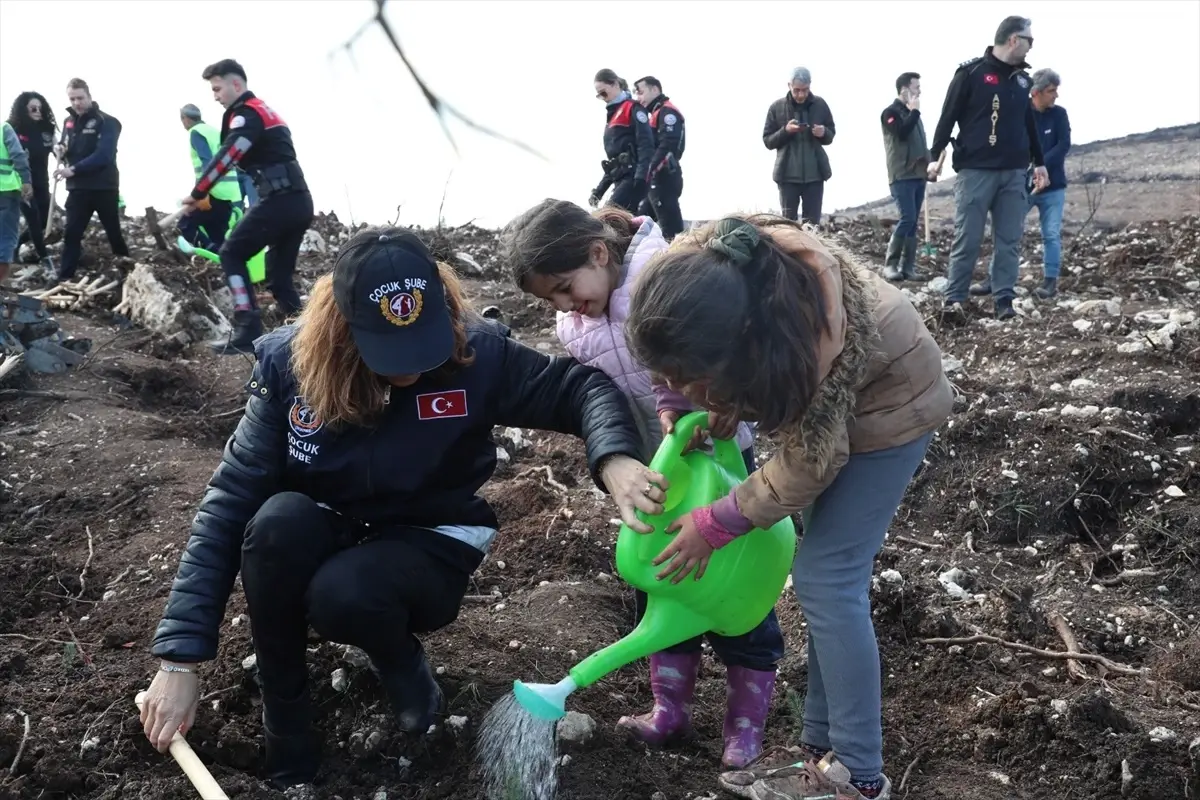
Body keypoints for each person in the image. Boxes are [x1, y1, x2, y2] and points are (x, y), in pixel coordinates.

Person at [139, 226, 666, 789]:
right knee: (273, 525)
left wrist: (612, 457)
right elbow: (227, 505)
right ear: (343, 329)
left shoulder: (476, 354)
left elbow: (579, 388)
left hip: (429, 538)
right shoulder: (289, 370)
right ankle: (287, 729)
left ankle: (401, 663)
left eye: (423, 341)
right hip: (328, 521)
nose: (411, 366)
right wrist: (179, 662)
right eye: (391, 352)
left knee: (345, 593)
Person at [624, 216, 954, 799]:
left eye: (695, 373)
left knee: (829, 580)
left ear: (743, 342)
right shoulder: (692, 277)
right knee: (825, 579)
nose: (682, 381)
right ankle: (820, 750)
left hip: (893, 406)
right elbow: (674, 352)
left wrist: (717, 521)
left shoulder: (805, 333)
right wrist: (684, 397)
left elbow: (809, 461)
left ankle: (857, 774)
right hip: (832, 392)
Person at [503, 198, 783, 769]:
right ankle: (669, 711)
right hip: (661, 466)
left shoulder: (663, 276)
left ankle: (745, 724)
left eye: (564, 285)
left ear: (599, 252)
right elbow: (600, 394)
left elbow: (728, 343)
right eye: (549, 299)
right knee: (659, 582)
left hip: (723, 459)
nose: (563, 304)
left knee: (736, 588)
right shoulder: (575, 325)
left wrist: (718, 404)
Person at [181, 58, 313, 355]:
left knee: (231, 254)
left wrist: (199, 192)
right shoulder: (266, 111)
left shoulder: (246, 115)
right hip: (298, 200)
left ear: (236, 84)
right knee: (279, 280)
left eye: (217, 89)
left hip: (279, 200)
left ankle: (246, 330)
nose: (215, 96)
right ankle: (312, 335)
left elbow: (230, 154)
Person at [928, 16, 1048, 320]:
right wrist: (934, 154)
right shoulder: (971, 73)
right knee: (967, 237)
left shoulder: (1023, 81)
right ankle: (954, 299)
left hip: (1013, 172)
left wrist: (1040, 162)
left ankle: (1004, 300)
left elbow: (1029, 123)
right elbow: (948, 115)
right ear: (1013, 40)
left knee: (1009, 239)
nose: (1031, 46)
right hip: (975, 170)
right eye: (1029, 40)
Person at [53, 78, 130, 283]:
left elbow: (103, 155)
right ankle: (64, 278)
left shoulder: (108, 122)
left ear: (89, 96)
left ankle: (129, 272)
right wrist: (60, 149)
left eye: (80, 98)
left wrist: (74, 169)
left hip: (103, 187)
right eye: (72, 98)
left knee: (113, 232)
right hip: (78, 189)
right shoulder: (68, 122)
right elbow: (64, 145)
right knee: (71, 234)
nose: (77, 103)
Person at [1007, 68, 1071, 300]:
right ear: (1036, 93)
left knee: (1051, 234)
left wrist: (1041, 164)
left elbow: (1063, 144)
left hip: (1053, 187)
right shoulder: (1021, 113)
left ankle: (1050, 281)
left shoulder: (1059, 115)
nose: (1056, 95)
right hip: (1024, 186)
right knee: (1009, 230)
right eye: (1051, 91)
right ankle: (1000, 278)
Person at [763, 68, 835, 226]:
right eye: (797, 90)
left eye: (805, 90)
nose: (801, 95)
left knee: (812, 226)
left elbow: (831, 134)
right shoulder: (776, 107)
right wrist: (785, 131)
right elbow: (767, 140)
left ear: (810, 85)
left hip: (815, 176)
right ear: (789, 85)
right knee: (789, 226)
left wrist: (824, 132)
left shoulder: (821, 105)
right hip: (787, 177)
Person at [879, 72, 930, 282]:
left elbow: (918, 143)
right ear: (904, 90)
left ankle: (908, 267)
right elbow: (901, 132)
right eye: (916, 87)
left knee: (913, 221)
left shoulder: (914, 115)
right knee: (907, 217)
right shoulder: (890, 113)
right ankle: (890, 264)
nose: (919, 91)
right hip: (901, 174)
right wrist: (915, 112)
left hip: (918, 174)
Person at [178, 103, 242, 251]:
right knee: (216, 233)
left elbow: (207, 162)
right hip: (230, 193)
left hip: (213, 192)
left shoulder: (196, 132)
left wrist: (202, 192)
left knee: (185, 224)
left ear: (185, 118)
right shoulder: (215, 132)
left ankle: (210, 250)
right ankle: (220, 260)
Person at [590, 69, 655, 213]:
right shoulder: (612, 118)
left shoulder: (633, 108)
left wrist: (641, 176)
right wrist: (599, 192)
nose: (603, 97)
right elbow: (614, 162)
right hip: (620, 179)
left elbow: (646, 144)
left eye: (604, 92)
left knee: (609, 216)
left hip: (633, 178)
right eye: (599, 95)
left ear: (615, 85)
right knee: (616, 224)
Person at [633, 76, 686, 241]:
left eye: (640, 92)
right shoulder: (656, 113)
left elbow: (668, 145)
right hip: (656, 179)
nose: (638, 98)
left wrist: (647, 170)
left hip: (664, 176)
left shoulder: (667, 111)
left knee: (670, 229)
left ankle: (678, 262)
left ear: (654, 89)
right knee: (640, 225)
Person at [7, 92, 55, 269]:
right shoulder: (13, 130)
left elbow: (57, 149)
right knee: (33, 220)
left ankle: (17, 245)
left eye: (40, 108)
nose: (37, 111)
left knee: (42, 222)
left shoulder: (47, 129)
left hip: (43, 182)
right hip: (23, 183)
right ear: (23, 110)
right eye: (33, 108)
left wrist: (61, 154)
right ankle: (46, 259)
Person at [0, 120, 33, 285]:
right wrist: (26, 180)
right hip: (5, 191)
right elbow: (18, 155)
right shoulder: (3, 128)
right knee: (5, 238)